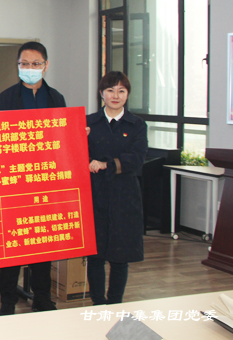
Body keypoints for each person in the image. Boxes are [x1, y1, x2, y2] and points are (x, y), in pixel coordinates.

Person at [0, 41, 65, 315]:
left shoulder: (57, 98)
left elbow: (61, 141)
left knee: (43, 244)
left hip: (47, 183)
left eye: (35, 64)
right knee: (12, 245)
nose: (30, 68)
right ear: (18, 66)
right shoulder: (4, 99)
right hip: (14, 184)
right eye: (24, 64)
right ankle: (7, 301)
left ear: (46, 65)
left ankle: (42, 298)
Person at [86, 71, 147, 305]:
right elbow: (72, 153)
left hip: (125, 196)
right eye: (110, 90)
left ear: (127, 94)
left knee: (121, 257)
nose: (115, 95)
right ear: (101, 93)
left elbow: (137, 158)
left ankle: (114, 303)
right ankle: (98, 303)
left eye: (121, 91)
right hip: (95, 193)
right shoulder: (88, 122)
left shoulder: (137, 124)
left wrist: (107, 164)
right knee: (95, 255)